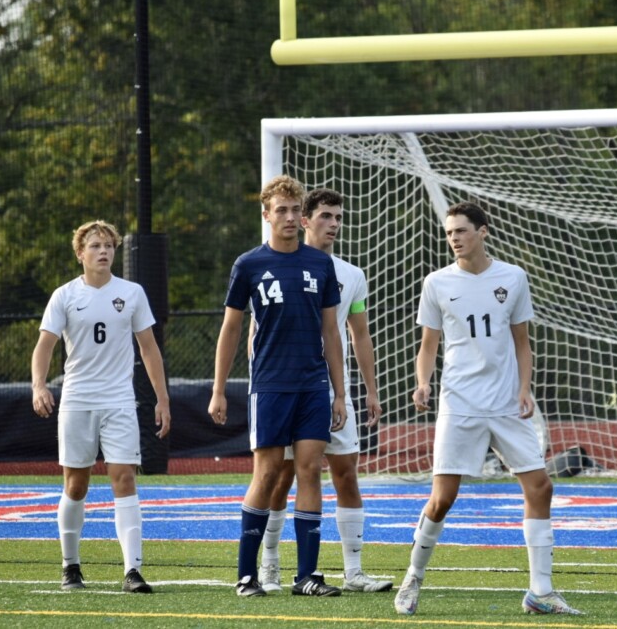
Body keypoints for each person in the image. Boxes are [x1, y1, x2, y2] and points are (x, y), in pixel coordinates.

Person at [393, 202, 582, 617]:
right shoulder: (437, 282)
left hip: (505, 404)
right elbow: (428, 346)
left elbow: (522, 342)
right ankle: (413, 578)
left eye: (461, 230)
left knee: (540, 487)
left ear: (483, 232)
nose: (454, 238)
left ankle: (540, 592)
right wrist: (423, 383)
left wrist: (524, 390)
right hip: (459, 403)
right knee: (442, 499)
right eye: (449, 233)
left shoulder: (513, 277)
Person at [208, 174, 347, 598]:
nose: (289, 217)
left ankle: (307, 575)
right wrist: (218, 389)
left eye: (294, 210)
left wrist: (339, 392)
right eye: (281, 210)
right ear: (266, 215)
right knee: (267, 473)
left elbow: (331, 332)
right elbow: (231, 329)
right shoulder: (248, 264)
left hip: (312, 386)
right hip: (269, 384)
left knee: (310, 470)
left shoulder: (321, 264)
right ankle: (246, 575)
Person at [254, 188, 390, 594]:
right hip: (285, 388)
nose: (333, 224)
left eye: (338, 217)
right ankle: (270, 564)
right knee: (281, 477)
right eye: (326, 216)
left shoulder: (351, 275)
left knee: (347, 473)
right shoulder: (272, 265)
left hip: (333, 390)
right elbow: (255, 332)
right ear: (305, 220)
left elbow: (359, 334)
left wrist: (369, 390)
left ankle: (354, 572)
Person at [31, 220, 171, 593]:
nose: (103, 251)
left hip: (119, 401)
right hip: (77, 400)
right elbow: (44, 346)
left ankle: (132, 571)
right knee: (76, 484)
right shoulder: (64, 295)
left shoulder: (132, 293)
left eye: (108, 245)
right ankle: (70, 565)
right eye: (95, 246)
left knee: (123, 477)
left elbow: (149, 348)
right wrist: (39, 386)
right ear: (80, 253)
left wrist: (162, 398)